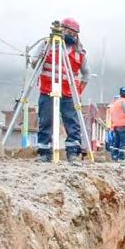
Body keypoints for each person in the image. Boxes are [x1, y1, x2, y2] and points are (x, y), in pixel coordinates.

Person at [36, 17, 89, 164]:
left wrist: (79, 91)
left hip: (69, 93)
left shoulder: (79, 53)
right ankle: (44, 153)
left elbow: (86, 74)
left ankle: (73, 153)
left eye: (74, 33)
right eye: (69, 32)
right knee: (46, 121)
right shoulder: (47, 45)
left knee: (72, 123)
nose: (71, 35)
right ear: (62, 30)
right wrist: (38, 57)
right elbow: (34, 63)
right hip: (48, 90)